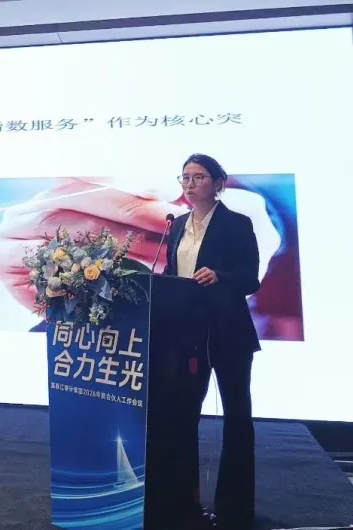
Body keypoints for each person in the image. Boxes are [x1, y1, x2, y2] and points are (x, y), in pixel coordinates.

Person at [163, 153, 261, 530]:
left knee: (237, 417)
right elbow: (172, 274)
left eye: (198, 177)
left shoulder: (237, 224)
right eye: (185, 177)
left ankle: (234, 507)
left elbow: (250, 279)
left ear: (218, 183)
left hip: (229, 333)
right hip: (188, 336)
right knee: (182, 416)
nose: (189, 184)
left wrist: (220, 276)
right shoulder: (176, 225)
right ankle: (182, 500)